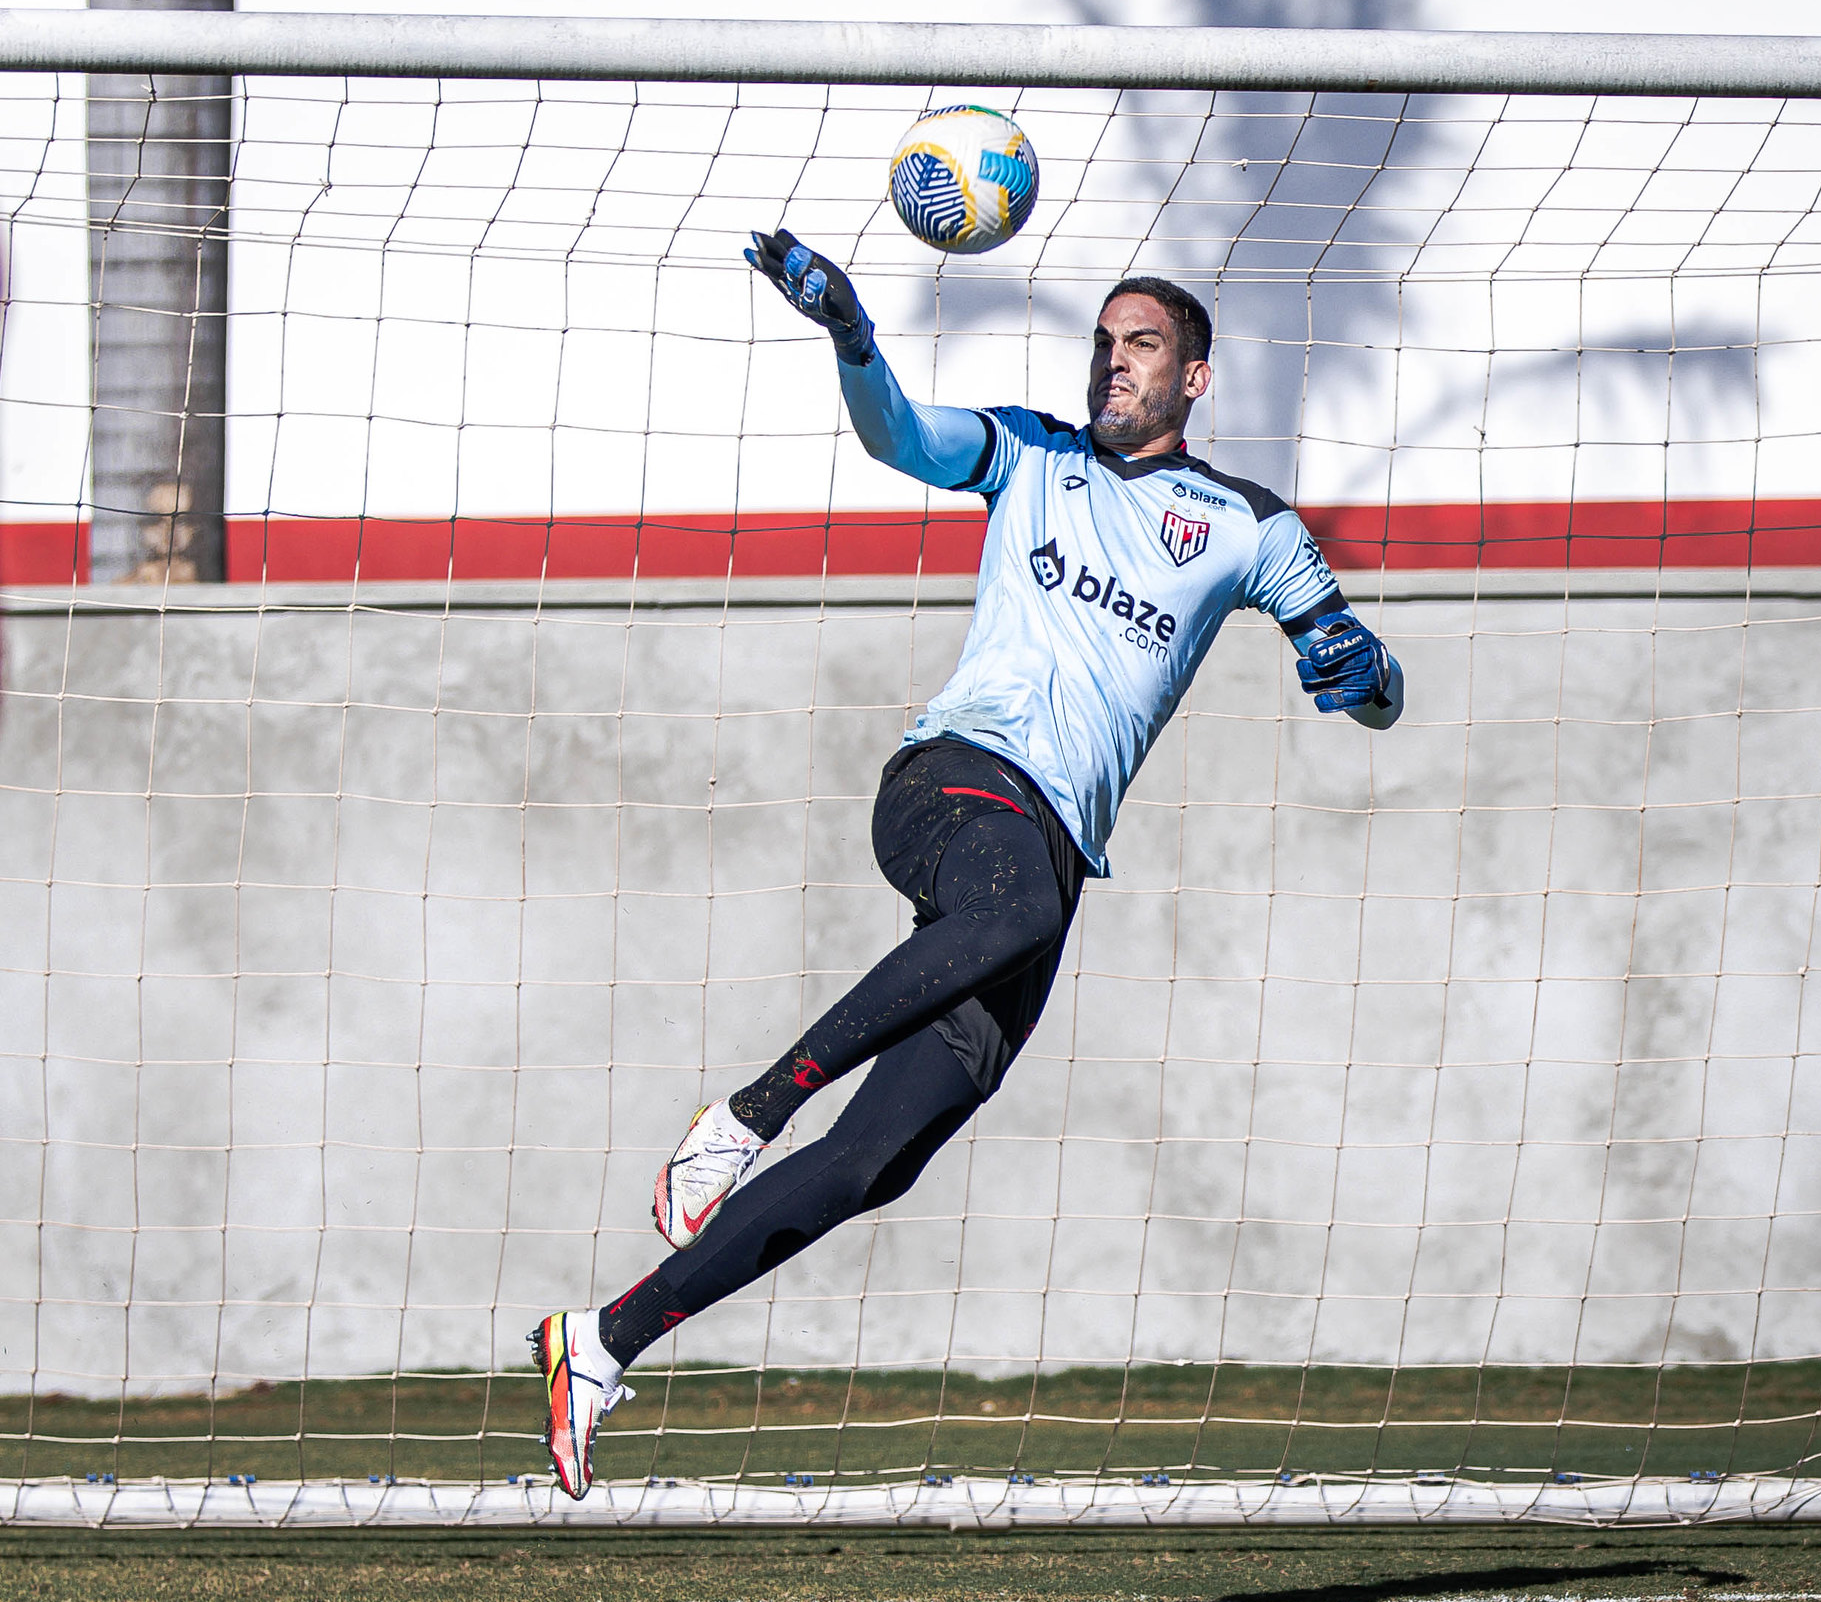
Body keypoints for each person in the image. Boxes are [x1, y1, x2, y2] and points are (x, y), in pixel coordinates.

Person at [529, 229, 1404, 1499]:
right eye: (1102, 343)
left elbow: (1372, 687)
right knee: (1011, 900)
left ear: (1194, 379)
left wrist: (1362, 676)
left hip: (1041, 867)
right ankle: (744, 1114)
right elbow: (899, 438)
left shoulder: (1246, 528)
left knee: (878, 1158)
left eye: (1139, 346)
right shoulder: (1028, 452)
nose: (1111, 364)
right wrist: (850, 337)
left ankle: (601, 1343)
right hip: (951, 785)